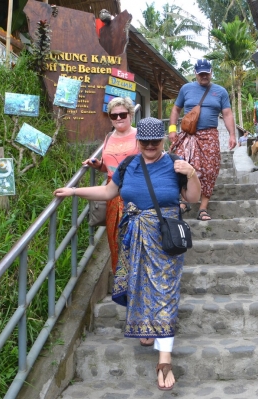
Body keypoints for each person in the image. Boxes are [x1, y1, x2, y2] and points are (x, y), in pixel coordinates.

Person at [54, 118, 201, 391]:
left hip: (165, 238)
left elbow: (192, 198)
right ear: (138, 142)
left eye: (155, 141)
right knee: (140, 286)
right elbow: (109, 192)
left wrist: (192, 173)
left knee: (164, 291)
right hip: (133, 235)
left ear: (163, 140)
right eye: (144, 142)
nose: (149, 146)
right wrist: (74, 190)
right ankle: (147, 328)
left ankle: (164, 359)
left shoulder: (175, 164)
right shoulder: (128, 165)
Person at [168, 58, 236, 221]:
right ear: (195, 73)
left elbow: (227, 114)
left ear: (211, 72)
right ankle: (184, 202)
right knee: (182, 165)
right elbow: (176, 109)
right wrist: (172, 130)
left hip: (210, 136)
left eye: (207, 73)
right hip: (188, 135)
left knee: (209, 170)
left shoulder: (220, 92)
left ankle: (203, 208)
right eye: (201, 74)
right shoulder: (186, 89)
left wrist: (232, 134)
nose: (204, 76)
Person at [83, 97, 138, 278]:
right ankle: (121, 278)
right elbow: (109, 167)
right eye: (114, 116)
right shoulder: (108, 137)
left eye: (123, 114)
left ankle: (137, 277)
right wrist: (98, 165)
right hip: (112, 191)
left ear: (130, 115)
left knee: (135, 235)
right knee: (115, 236)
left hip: (135, 191)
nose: (119, 118)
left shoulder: (140, 135)